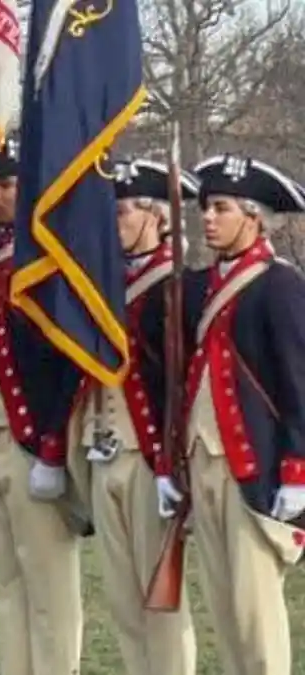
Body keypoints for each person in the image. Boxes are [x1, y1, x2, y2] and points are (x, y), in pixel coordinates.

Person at [0, 137, 86, 675]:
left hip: (28, 440)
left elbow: (64, 362)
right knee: (4, 583)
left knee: (49, 586)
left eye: (6, 185)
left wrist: (53, 445)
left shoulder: (49, 256)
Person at [166, 154, 305, 675]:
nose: (207, 218)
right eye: (204, 208)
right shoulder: (198, 287)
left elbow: (298, 384)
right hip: (203, 464)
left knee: (256, 619)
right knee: (223, 614)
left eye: (220, 208)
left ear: (253, 216)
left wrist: (297, 469)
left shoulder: (279, 285)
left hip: (253, 470)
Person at [64, 158, 198, 675]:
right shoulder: (106, 286)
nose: (112, 224)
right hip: (102, 452)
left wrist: (175, 464)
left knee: (159, 604)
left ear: (154, 215)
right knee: (122, 601)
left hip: (149, 457)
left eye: (121, 212)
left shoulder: (176, 287)